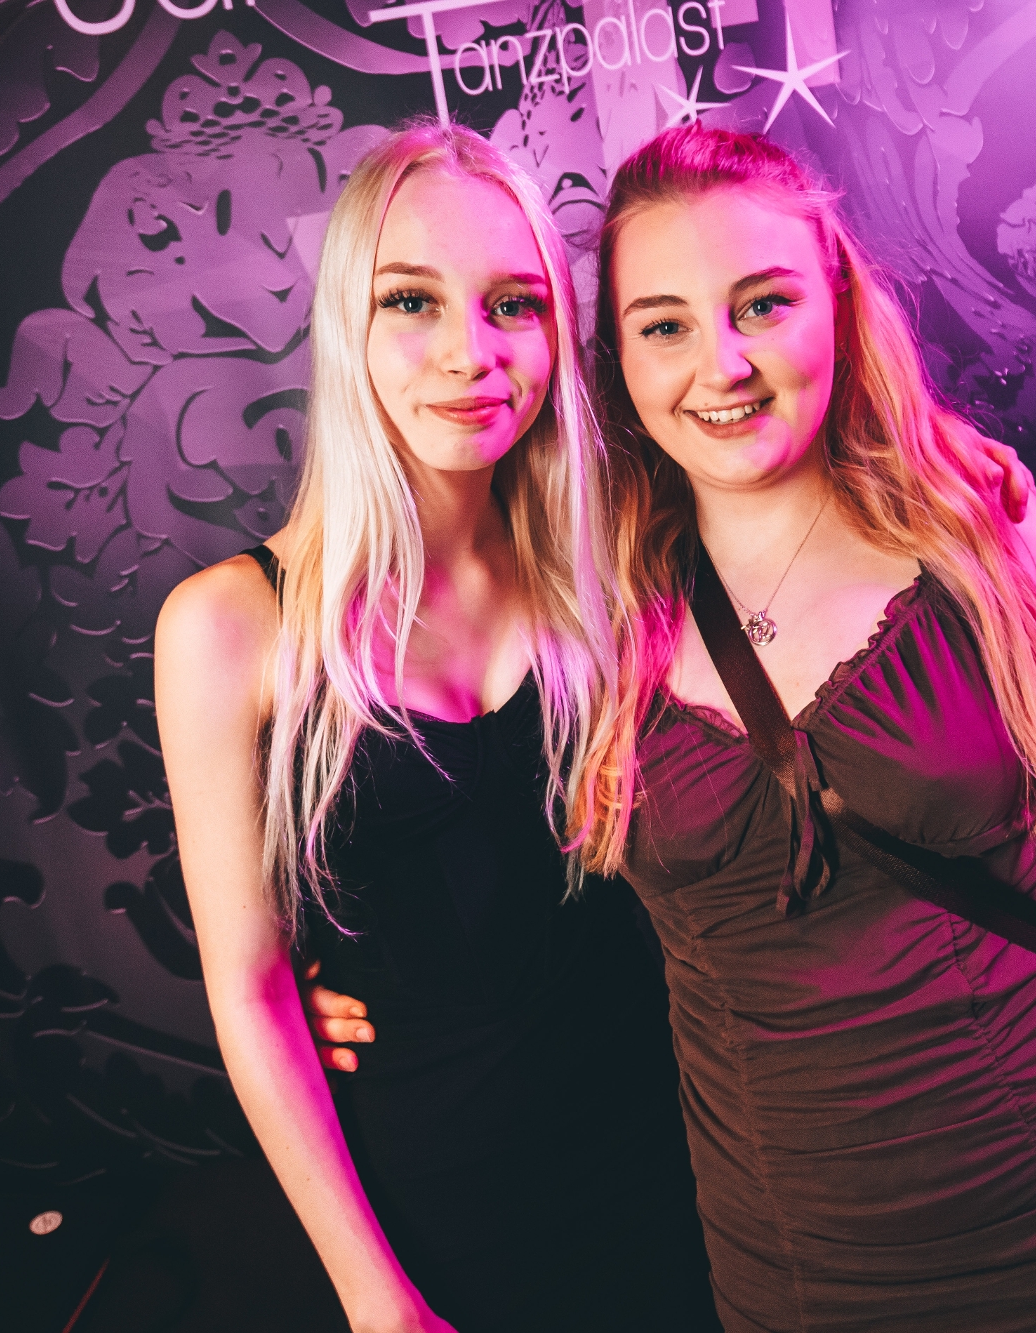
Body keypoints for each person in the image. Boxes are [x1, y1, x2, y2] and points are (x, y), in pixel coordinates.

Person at [566, 127, 1036, 1331]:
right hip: (800, 1258)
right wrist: (327, 973)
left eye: (762, 304)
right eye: (662, 325)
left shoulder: (981, 535)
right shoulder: (588, 612)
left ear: (834, 303)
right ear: (614, 360)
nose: (721, 363)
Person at [154, 121, 722, 1333]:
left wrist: (955, 470)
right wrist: (374, 1296)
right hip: (441, 1216)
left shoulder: (613, 563)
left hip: (687, 1166)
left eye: (514, 304)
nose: (471, 352)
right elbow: (251, 990)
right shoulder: (228, 628)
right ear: (346, 326)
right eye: (411, 300)